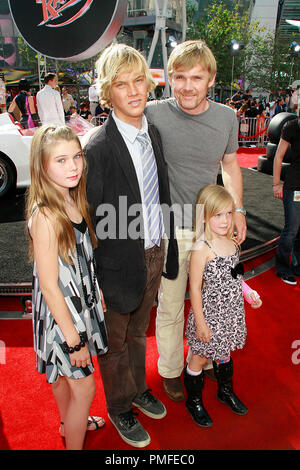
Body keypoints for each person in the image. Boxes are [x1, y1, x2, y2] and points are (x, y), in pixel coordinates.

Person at [84, 43, 178, 448]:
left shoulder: (152, 132)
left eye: (139, 80)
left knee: (140, 332)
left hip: (154, 249)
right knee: (114, 342)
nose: (134, 90)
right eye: (122, 84)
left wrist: (167, 246)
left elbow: (162, 194)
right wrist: (95, 282)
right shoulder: (98, 148)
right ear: (108, 93)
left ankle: (138, 388)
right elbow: (88, 223)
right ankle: (119, 405)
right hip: (116, 262)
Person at [145, 39, 246, 402]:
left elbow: (231, 164)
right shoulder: (153, 112)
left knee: (216, 300)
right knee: (171, 304)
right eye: (180, 77)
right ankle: (171, 370)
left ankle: (201, 359)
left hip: (211, 229)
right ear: (170, 78)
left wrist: (237, 209)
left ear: (211, 80)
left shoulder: (226, 118)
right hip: (171, 231)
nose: (188, 86)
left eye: (196, 78)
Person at [26, 124, 108, 450]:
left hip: (74, 304)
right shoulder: (47, 215)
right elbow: (49, 285)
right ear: (42, 166)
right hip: (63, 316)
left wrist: (95, 289)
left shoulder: (71, 197)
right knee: (85, 389)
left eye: (76, 156)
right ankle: (75, 434)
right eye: (60, 160)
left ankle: (69, 423)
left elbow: (80, 256)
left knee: (60, 378)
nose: (73, 166)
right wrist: (74, 342)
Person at [184, 184, 261, 427]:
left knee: (225, 353)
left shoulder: (233, 244)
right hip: (209, 316)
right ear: (204, 215)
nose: (225, 220)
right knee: (198, 358)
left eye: (229, 214)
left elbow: (236, 277)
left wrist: (249, 294)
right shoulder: (201, 249)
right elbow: (194, 289)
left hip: (231, 313)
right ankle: (193, 401)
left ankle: (225, 391)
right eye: (218, 215)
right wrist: (201, 323)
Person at [273, 116, 300, 285]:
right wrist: (276, 183)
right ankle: (283, 268)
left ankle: (297, 266)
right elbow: (278, 156)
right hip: (295, 186)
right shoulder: (292, 126)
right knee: (292, 229)